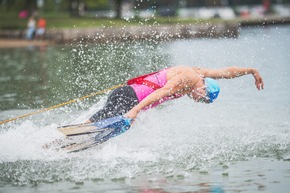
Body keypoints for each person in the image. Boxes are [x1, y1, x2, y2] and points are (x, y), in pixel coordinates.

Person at [85, 66, 264, 123]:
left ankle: (82, 140)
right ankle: (73, 132)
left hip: (132, 98)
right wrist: (136, 110)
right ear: (203, 90)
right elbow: (162, 91)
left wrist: (250, 71)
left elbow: (225, 72)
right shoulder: (189, 78)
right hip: (129, 96)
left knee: (112, 123)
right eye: (202, 100)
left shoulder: (199, 75)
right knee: (109, 115)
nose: (197, 101)